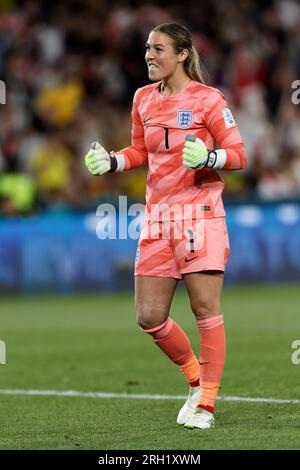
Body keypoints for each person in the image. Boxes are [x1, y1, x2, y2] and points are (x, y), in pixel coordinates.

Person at [84, 23, 247, 430]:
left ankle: (206, 406)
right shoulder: (142, 99)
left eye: (158, 49)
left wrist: (209, 158)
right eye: (146, 49)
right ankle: (195, 382)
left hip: (199, 213)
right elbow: (141, 149)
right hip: (157, 217)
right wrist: (113, 161)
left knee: (204, 309)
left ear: (183, 55)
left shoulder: (209, 99)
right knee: (149, 315)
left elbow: (240, 153)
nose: (149, 56)